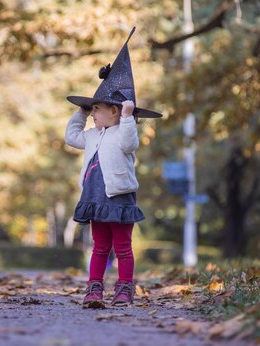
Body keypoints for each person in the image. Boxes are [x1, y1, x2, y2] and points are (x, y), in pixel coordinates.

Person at [64, 27, 161, 308]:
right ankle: (94, 289)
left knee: (122, 248)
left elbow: (131, 144)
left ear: (115, 111)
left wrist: (129, 118)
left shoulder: (122, 133)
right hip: (95, 199)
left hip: (118, 198)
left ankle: (124, 288)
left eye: (96, 109)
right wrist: (81, 111)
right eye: (91, 109)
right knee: (99, 247)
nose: (93, 113)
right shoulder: (92, 135)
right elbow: (71, 136)